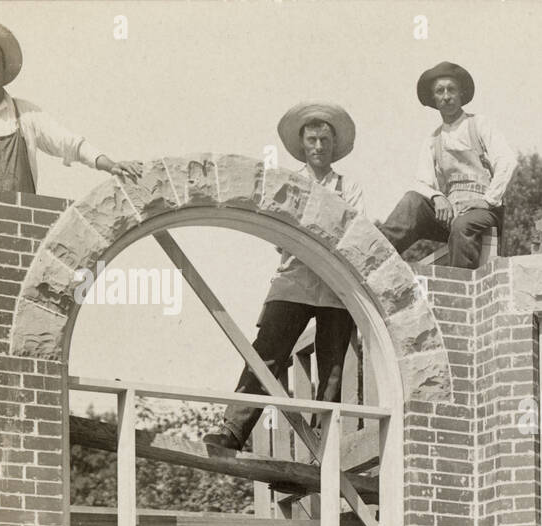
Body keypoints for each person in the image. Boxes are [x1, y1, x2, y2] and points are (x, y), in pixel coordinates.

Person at [203, 102, 364, 451]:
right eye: (312, 140)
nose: (318, 146)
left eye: (324, 140)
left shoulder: (349, 189)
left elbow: (354, 233)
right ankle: (234, 430)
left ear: (333, 145)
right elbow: (280, 234)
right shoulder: (289, 182)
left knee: (332, 367)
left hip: (336, 286)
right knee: (267, 354)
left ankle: (323, 442)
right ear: (303, 144)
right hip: (295, 279)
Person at [0, 19, 140, 205]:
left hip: (20, 223)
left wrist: (110, 165)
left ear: (4, 67)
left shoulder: (25, 113)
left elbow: (69, 143)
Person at [378, 62, 516, 269]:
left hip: (482, 211)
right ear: (434, 99)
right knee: (412, 202)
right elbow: (421, 182)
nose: (446, 96)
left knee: (463, 225)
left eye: (451, 89)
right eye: (439, 91)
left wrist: (488, 201)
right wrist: (437, 196)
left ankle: (461, 290)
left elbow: (507, 160)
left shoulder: (479, 124)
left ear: (461, 93)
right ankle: (371, 259)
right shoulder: (433, 139)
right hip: (450, 211)